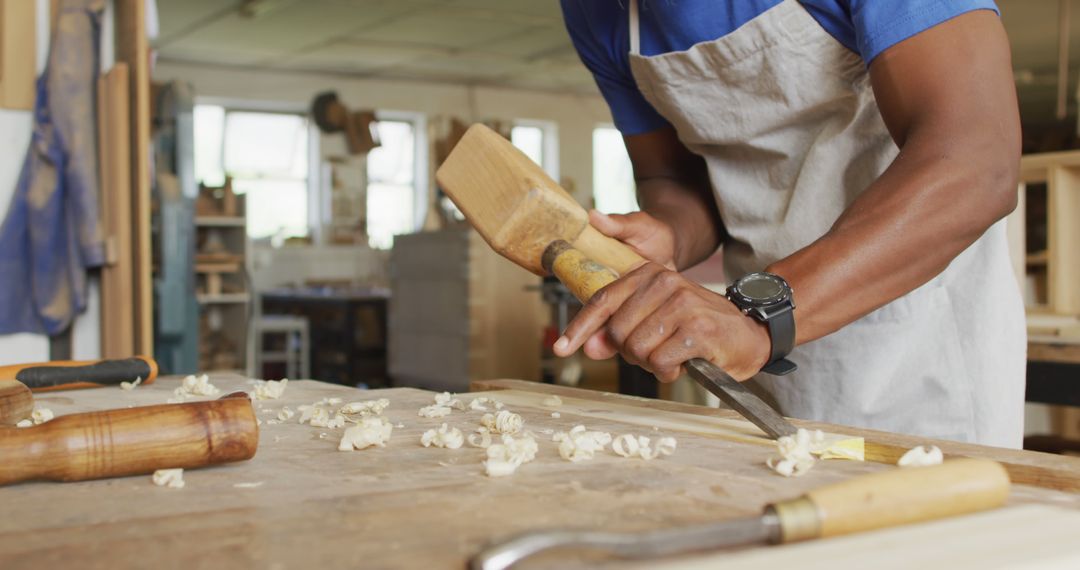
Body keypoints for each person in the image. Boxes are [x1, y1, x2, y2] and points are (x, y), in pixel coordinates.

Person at [554, 0, 1025, 447]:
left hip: (920, 352)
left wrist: (761, 316)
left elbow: (975, 160)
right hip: (754, 359)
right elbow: (673, 176)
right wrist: (671, 232)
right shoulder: (595, 12)